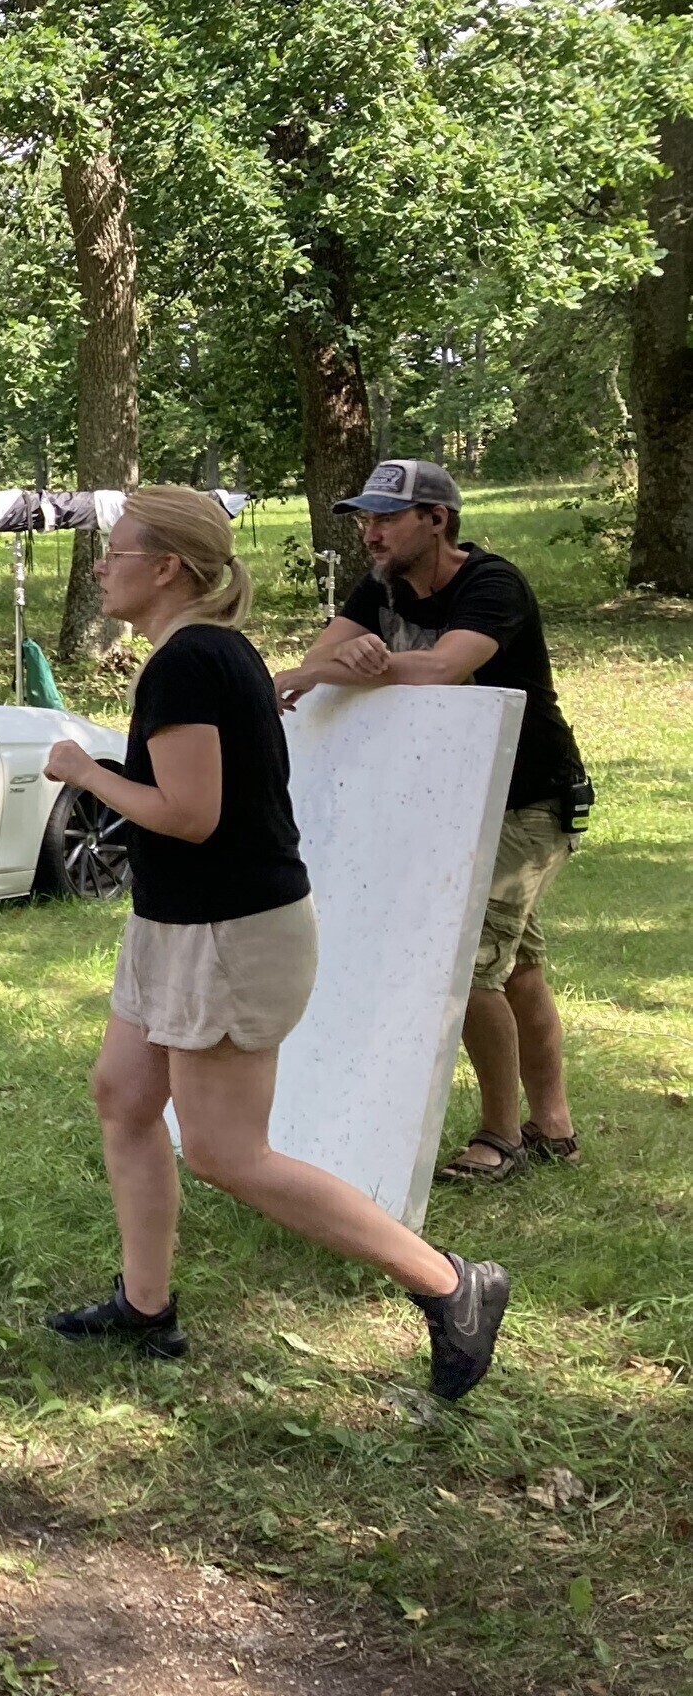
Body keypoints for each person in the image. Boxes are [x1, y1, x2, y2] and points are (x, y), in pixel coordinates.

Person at [39, 486, 508, 1401]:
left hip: (228, 935)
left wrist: (84, 771)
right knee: (124, 1096)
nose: (100, 568)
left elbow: (190, 814)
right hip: (176, 925)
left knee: (225, 1152)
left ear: (166, 567)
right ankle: (145, 1307)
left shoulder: (190, 662)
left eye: (115, 552)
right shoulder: (202, 653)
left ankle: (451, 1283)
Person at [272, 460, 592, 1183]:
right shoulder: (380, 585)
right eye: (365, 518)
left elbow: (445, 667)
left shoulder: (492, 584)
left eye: (386, 518)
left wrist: (350, 665)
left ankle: (500, 1137)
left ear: (437, 520)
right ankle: (553, 1126)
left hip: (528, 803)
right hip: (451, 805)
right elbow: (315, 660)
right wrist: (341, 657)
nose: (370, 533)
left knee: (468, 964)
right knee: (518, 968)